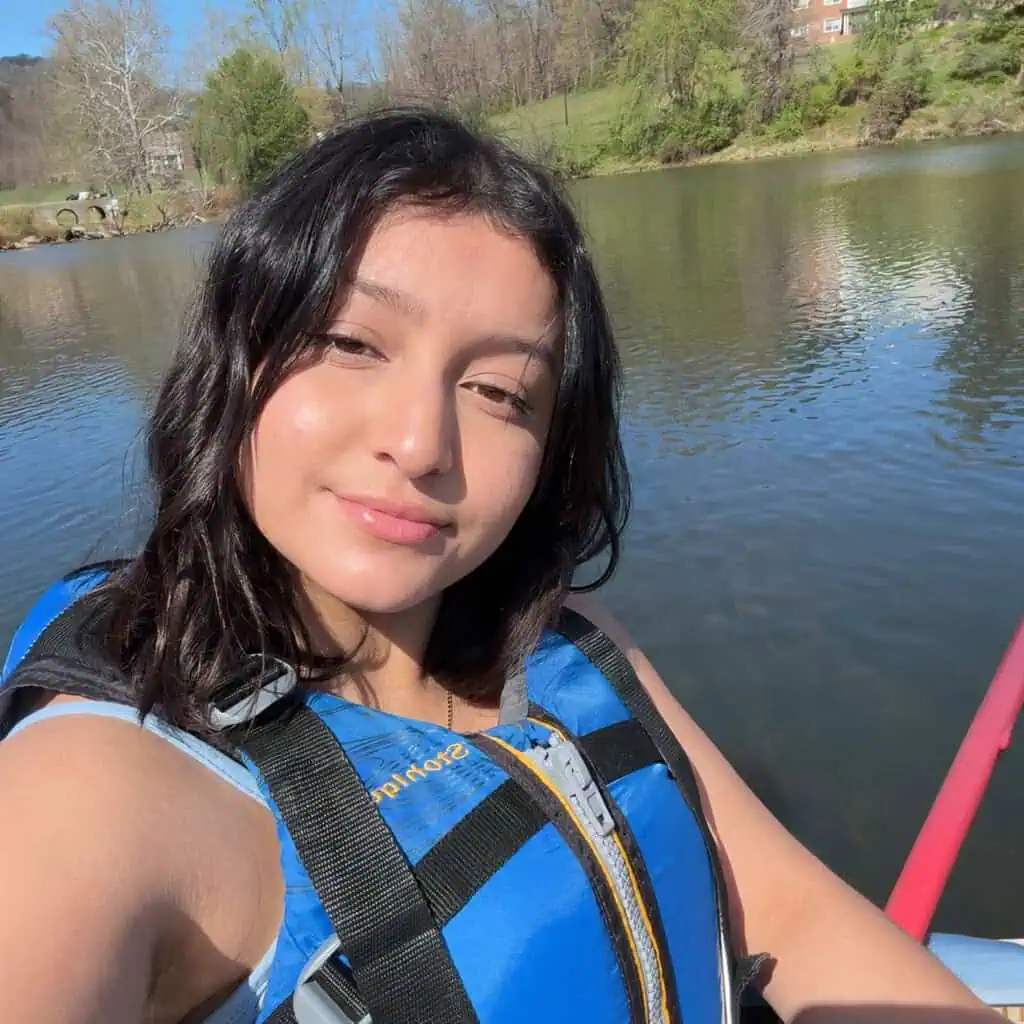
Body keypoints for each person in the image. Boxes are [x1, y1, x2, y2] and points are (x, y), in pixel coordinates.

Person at [0, 108, 999, 1024]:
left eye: (498, 391)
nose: (420, 441)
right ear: (238, 357)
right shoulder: (100, 788)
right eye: (350, 340)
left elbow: (789, 910)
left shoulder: (570, 651)